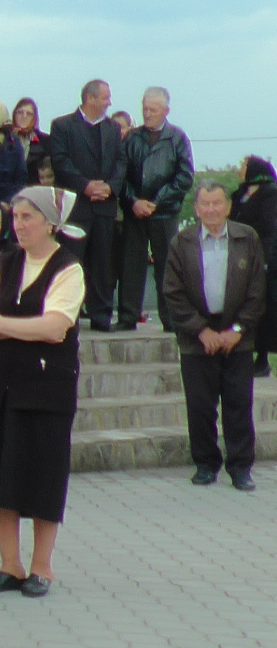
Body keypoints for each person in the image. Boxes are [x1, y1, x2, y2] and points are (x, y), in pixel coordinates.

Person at [0, 187, 87, 598]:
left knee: (42, 472)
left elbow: (55, 327)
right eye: (15, 217)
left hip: (45, 388)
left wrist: (3, 326)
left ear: (50, 223)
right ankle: (9, 564)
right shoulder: (4, 262)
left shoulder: (67, 268)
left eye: (27, 218)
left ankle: (41, 566)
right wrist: (16, 326)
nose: (18, 225)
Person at [163, 181, 267, 491]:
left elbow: (257, 290)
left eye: (217, 203)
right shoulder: (181, 242)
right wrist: (201, 330)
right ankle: (206, 464)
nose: (211, 210)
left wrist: (237, 330)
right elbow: (172, 292)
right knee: (200, 404)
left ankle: (240, 467)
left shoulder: (246, 238)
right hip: (197, 335)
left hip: (238, 333)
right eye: (205, 204)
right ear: (196, 209)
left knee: (238, 403)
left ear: (228, 206)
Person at [48, 80, 125, 331]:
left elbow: (121, 162)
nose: (109, 103)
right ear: (90, 99)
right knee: (71, 261)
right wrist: (85, 186)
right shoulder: (62, 126)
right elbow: (60, 162)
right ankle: (68, 314)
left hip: (104, 207)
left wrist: (109, 187)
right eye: (105, 98)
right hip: (76, 206)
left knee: (103, 263)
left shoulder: (113, 128)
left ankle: (101, 315)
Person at [118, 88, 194, 332]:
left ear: (166, 111)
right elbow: (120, 175)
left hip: (164, 213)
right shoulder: (132, 138)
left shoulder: (177, 138)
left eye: (153, 110)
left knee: (167, 266)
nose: (148, 114)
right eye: (145, 109)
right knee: (131, 265)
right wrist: (133, 201)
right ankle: (127, 316)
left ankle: (170, 318)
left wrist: (157, 202)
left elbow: (184, 177)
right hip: (135, 212)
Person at [230, 157, 277, 376]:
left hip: (260, 258)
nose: (239, 170)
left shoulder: (270, 194)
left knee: (261, 307)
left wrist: (265, 259)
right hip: (237, 256)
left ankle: (262, 358)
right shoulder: (240, 194)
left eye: (243, 166)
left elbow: (270, 229)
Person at [0, 98, 49, 202]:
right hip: (6, 196)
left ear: (34, 118)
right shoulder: (3, 138)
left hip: (34, 196)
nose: (24, 116)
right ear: (14, 115)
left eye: (28, 114)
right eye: (20, 112)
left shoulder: (45, 141)